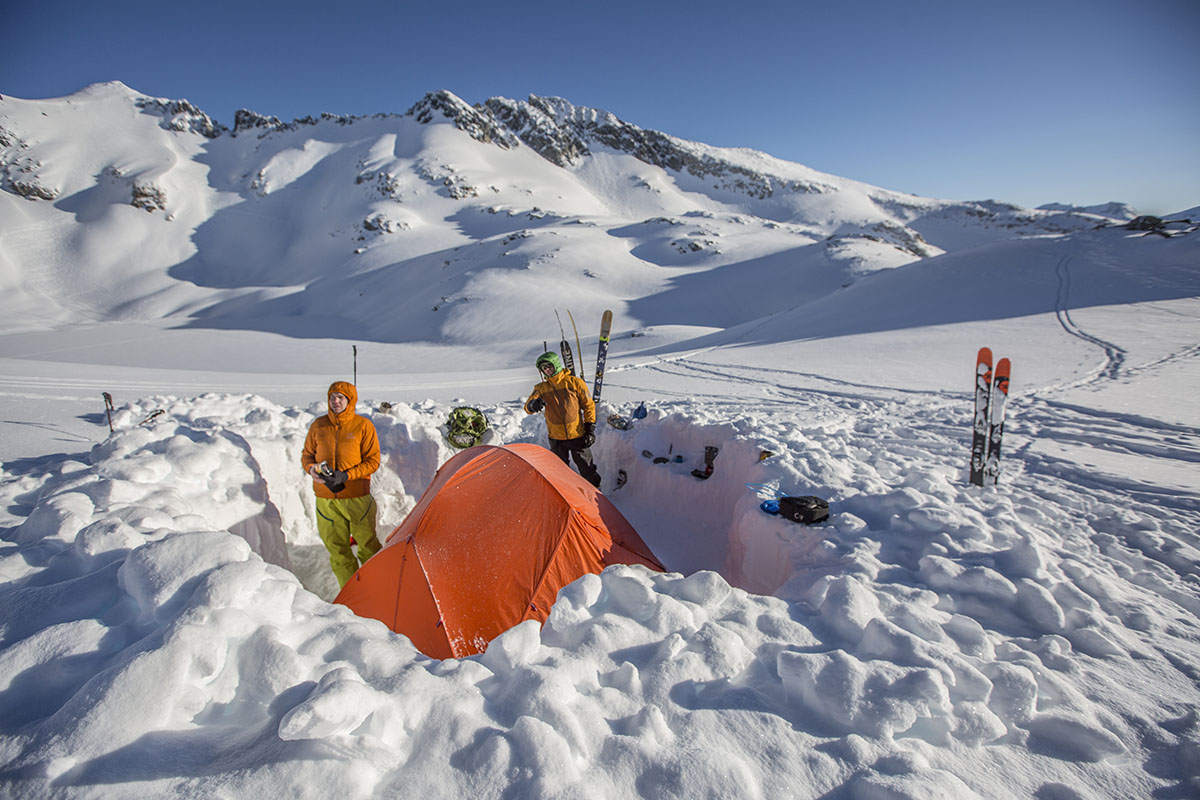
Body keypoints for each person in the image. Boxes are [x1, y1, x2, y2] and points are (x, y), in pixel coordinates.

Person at [301, 381, 382, 587]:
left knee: (368, 546)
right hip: (326, 499)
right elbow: (307, 456)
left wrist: (346, 476)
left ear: (350, 400)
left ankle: (378, 588)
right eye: (332, 397)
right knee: (337, 550)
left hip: (356, 497)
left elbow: (373, 461)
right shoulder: (318, 426)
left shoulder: (363, 426)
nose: (336, 401)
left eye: (341, 398)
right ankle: (352, 594)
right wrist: (312, 470)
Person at [524, 351, 601, 488]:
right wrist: (533, 405)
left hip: (577, 435)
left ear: (556, 365)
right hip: (556, 438)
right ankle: (566, 496)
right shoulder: (541, 388)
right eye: (544, 368)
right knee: (559, 472)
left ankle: (596, 491)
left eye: (549, 366)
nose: (547, 370)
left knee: (587, 468)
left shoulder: (574, 382)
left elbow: (589, 406)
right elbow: (527, 407)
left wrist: (590, 429)